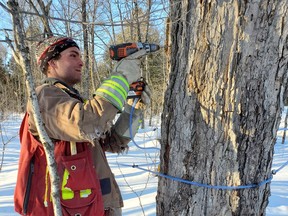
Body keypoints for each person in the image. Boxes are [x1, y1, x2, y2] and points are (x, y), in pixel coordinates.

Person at [14, 36, 151, 216]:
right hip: (70, 209)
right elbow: (86, 123)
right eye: (73, 55)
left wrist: (133, 110)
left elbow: (112, 142)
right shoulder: (44, 97)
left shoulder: (72, 100)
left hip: (97, 205)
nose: (81, 62)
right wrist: (122, 76)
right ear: (51, 63)